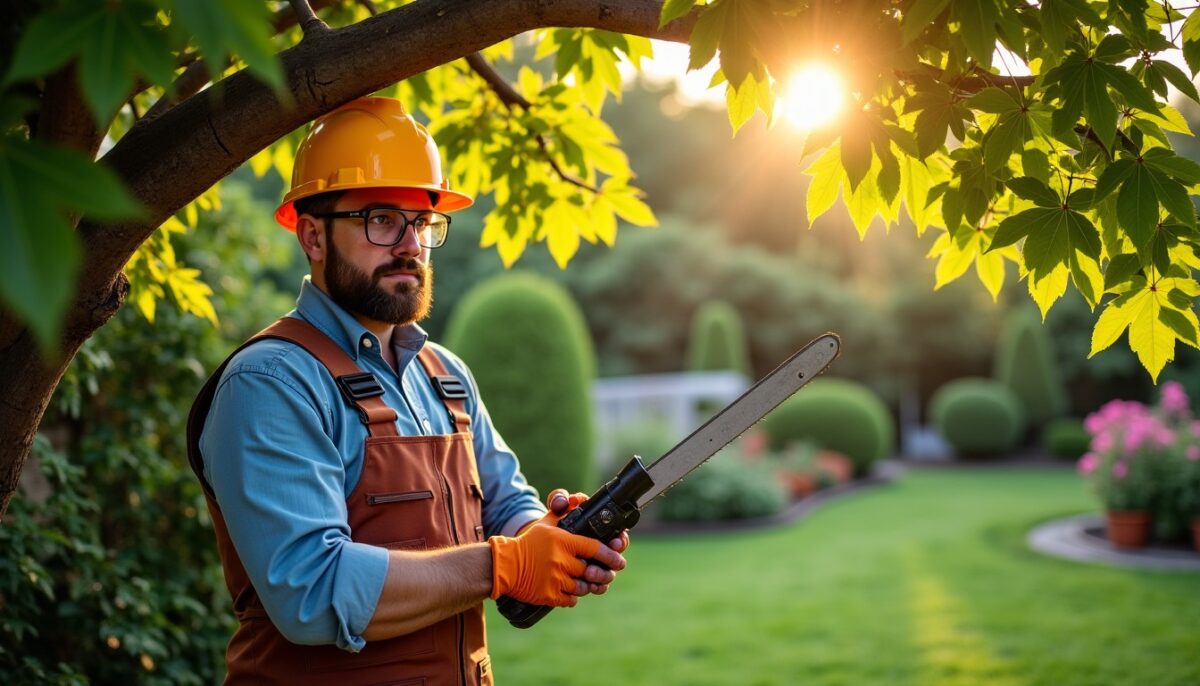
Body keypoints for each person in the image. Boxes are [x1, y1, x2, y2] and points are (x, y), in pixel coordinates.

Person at [186, 96, 629, 685]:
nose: (409, 245)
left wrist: (550, 538)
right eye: (380, 220)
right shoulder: (271, 383)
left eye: (421, 222)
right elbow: (312, 591)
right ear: (313, 238)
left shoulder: (445, 375)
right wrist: (504, 565)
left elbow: (505, 502)